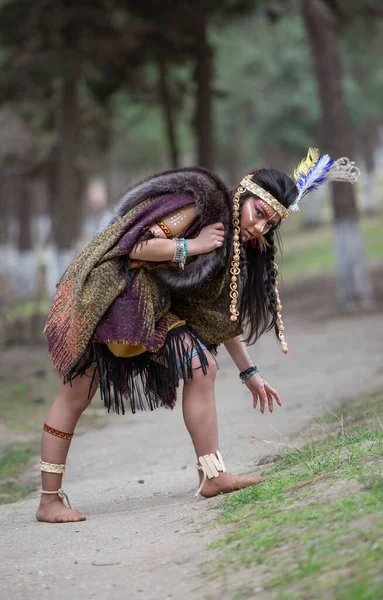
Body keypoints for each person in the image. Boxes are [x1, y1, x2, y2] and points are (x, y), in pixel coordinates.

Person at [36, 148, 360, 523]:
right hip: (110, 297)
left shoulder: (238, 244)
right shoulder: (199, 205)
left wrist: (250, 373)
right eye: (259, 214)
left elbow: (217, 318)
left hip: (154, 308)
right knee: (76, 393)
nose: (260, 228)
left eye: (270, 225)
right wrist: (195, 244)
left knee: (200, 364)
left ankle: (212, 475)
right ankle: (49, 501)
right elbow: (134, 246)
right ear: (244, 192)